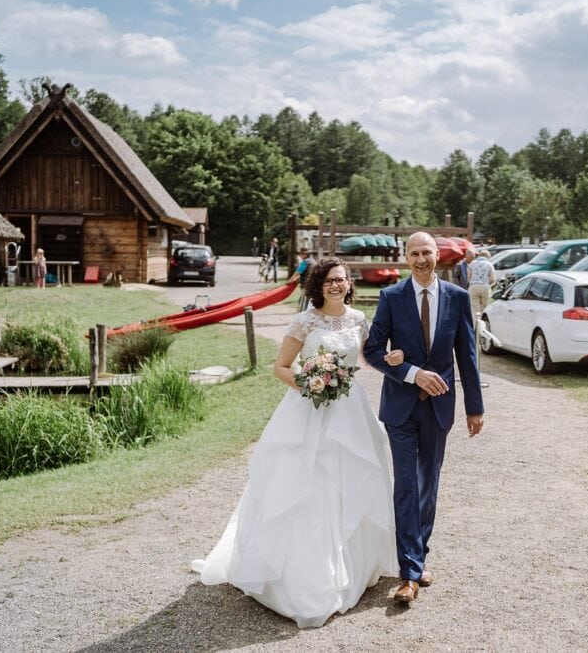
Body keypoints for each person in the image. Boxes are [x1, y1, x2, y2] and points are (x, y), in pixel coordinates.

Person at [192, 259, 401, 628]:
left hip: (351, 412)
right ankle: (303, 578)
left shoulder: (357, 320)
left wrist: (390, 358)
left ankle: (354, 565)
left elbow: (367, 359)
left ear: (349, 285)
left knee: (350, 480)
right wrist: (312, 382)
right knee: (308, 486)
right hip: (309, 410)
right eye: (330, 280)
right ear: (318, 285)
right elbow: (281, 367)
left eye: (342, 280)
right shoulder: (305, 321)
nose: (337, 285)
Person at [362, 232, 485, 603]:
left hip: (439, 407)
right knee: (406, 485)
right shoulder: (391, 297)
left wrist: (475, 407)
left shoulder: (459, 298)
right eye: (414, 253)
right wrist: (409, 371)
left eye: (426, 252)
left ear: (438, 256)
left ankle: (416, 557)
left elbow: (468, 356)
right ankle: (411, 572)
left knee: (428, 484)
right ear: (405, 257)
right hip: (400, 406)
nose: (420, 259)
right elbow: (371, 350)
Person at [467, 249, 497, 320]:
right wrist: (486, 283)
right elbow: (493, 279)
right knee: (485, 307)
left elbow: (468, 277)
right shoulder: (489, 264)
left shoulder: (472, 263)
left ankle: (476, 324)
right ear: (487, 257)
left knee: (475, 308)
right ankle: (483, 323)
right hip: (485, 287)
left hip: (473, 287)